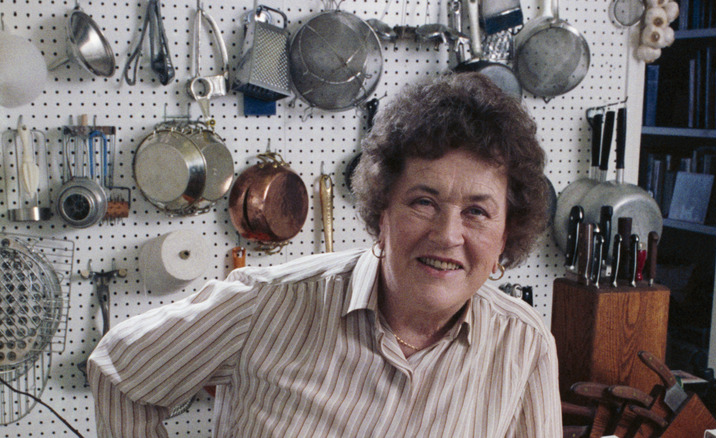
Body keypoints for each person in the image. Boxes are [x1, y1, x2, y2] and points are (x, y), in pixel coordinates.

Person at [88, 72, 562, 437]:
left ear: (506, 235)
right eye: (423, 202)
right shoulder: (266, 305)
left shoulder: (524, 344)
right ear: (383, 213)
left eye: (477, 212)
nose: (446, 234)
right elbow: (120, 372)